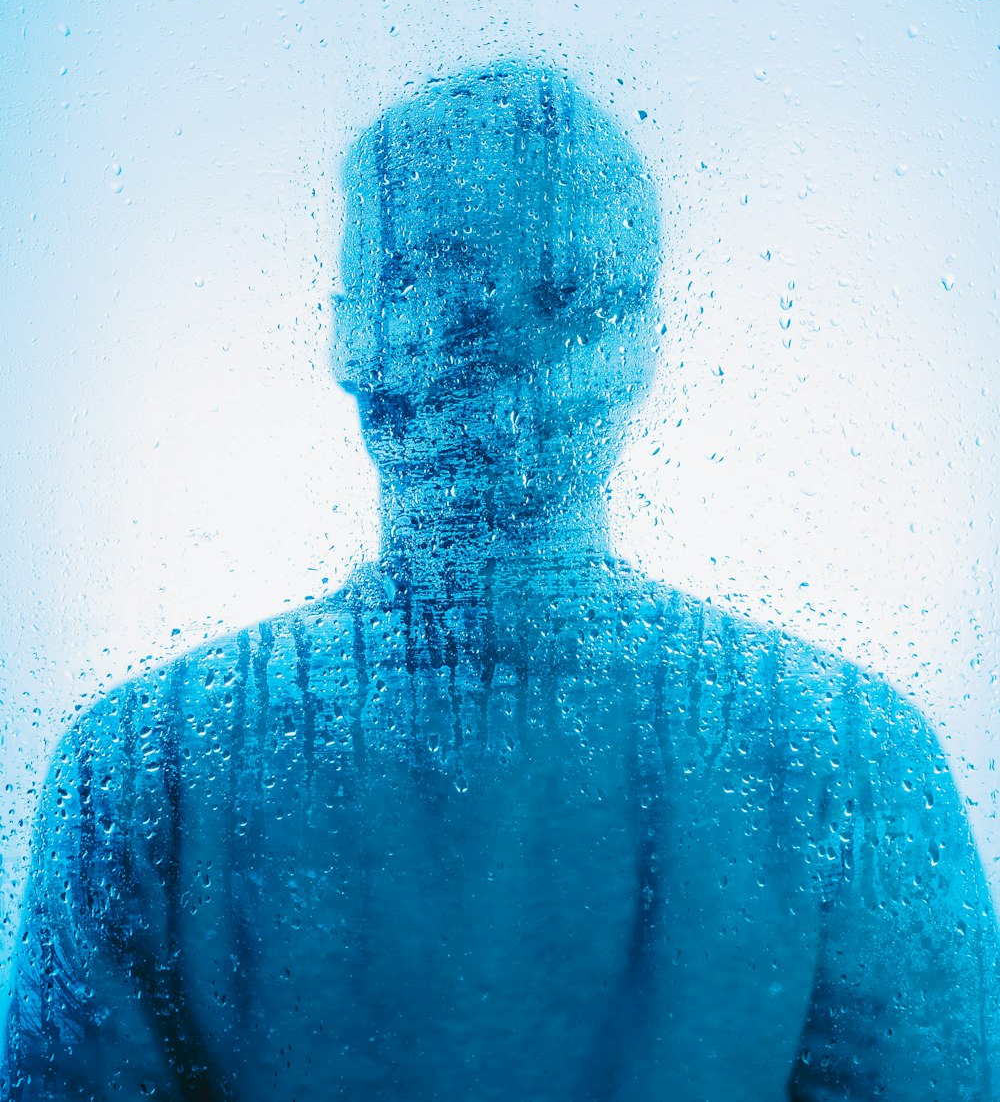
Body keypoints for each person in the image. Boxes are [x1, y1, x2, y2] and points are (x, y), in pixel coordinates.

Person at [2, 61, 997, 1101]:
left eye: (528, 297)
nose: (461, 346)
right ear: (636, 349)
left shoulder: (141, 772)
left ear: (346, 343)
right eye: (424, 286)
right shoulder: (847, 756)